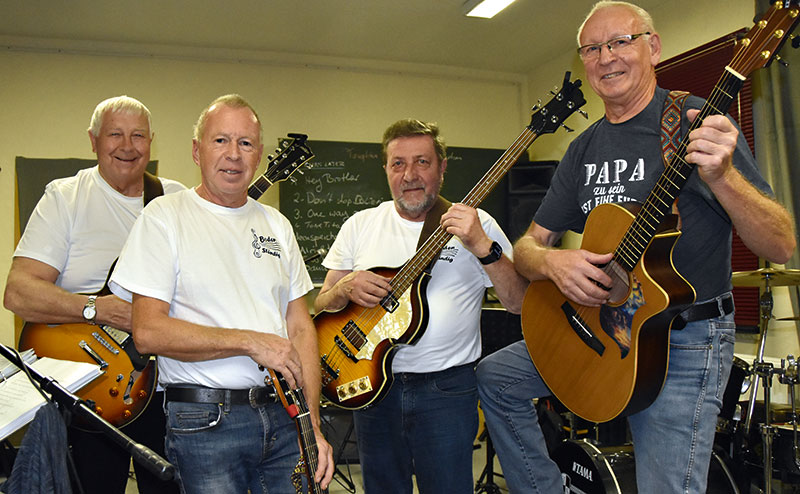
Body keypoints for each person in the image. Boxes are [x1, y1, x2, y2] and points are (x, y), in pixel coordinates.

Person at [476, 2, 796, 493]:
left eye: (620, 42)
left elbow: (781, 244)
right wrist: (552, 261)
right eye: (593, 48)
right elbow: (527, 246)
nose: (606, 58)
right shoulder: (584, 148)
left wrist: (724, 177)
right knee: (498, 378)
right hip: (597, 328)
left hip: (683, 341)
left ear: (653, 46)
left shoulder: (693, 121)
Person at [108, 94, 334, 494]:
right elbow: (148, 331)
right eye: (220, 141)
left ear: (260, 154)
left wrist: (312, 425)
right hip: (204, 422)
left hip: (286, 416)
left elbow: (300, 329)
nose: (234, 154)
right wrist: (250, 342)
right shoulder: (164, 217)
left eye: (245, 143)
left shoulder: (277, 225)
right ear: (197, 150)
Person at [313, 118, 529, 493]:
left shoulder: (479, 224)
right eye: (398, 163)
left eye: (422, 162)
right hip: (372, 387)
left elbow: (518, 303)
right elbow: (321, 303)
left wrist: (483, 246)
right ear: (386, 169)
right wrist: (344, 287)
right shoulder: (360, 225)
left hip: (447, 390)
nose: (409, 174)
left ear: (442, 168)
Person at [3, 95, 185, 493]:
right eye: (114, 134)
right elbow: (18, 293)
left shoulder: (177, 200)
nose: (127, 145)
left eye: (138, 135)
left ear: (152, 140)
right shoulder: (64, 197)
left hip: (166, 384)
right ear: (93, 140)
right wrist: (96, 309)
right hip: (90, 385)